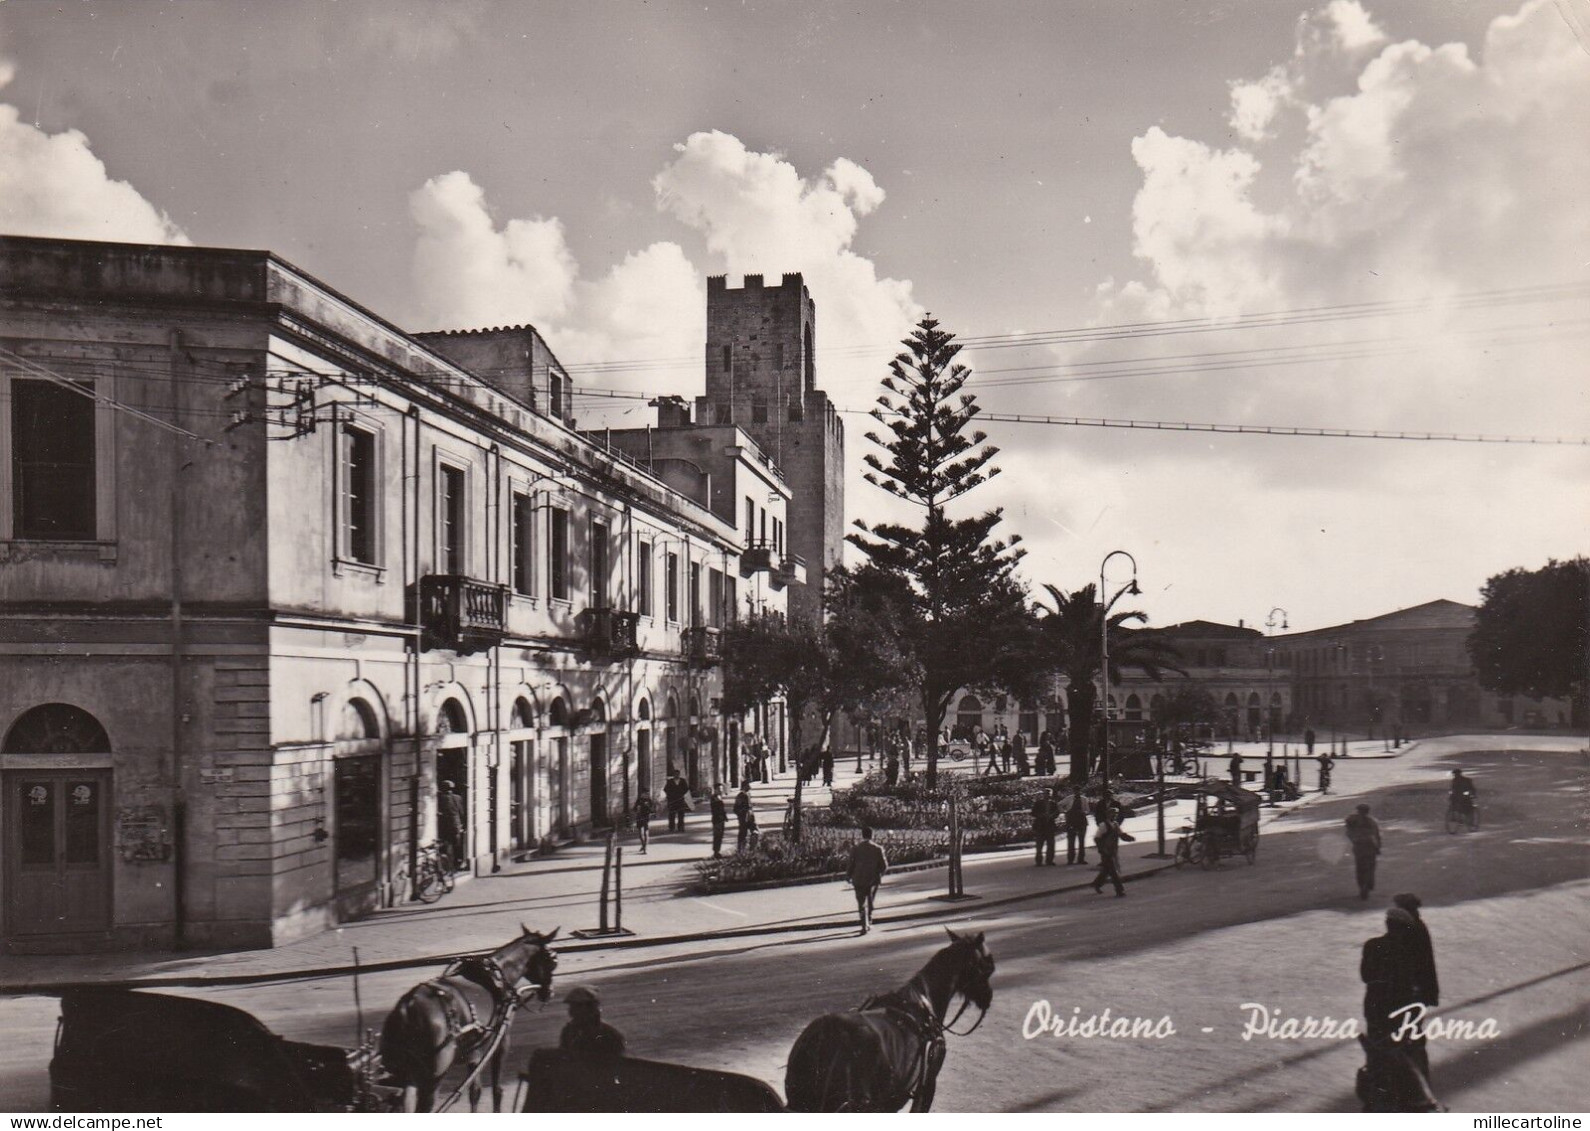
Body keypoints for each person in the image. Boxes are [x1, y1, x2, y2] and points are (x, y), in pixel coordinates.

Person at [1358, 909, 1441, 1111]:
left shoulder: (1372, 945)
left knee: (1377, 1053)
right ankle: (1412, 1100)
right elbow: (1407, 985)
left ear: (1387, 924)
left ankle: (1376, 1099)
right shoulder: (1406, 951)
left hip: (1375, 1008)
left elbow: (1365, 975)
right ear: (1404, 929)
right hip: (1400, 1011)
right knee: (1404, 1053)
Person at [1393, 892, 1439, 1081]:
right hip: (1419, 991)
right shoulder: (1420, 927)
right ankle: (1421, 1078)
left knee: (1407, 1036)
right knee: (1415, 1036)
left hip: (1409, 992)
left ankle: (1416, 1082)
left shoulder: (1408, 930)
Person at [559, 985, 627, 1070]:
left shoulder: (609, 1034)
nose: (571, 1011)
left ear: (591, 1008)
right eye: (572, 1006)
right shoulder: (568, 1031)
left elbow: (617, 1064)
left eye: (577, 1006)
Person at [846, 826, 889, 935]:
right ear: (872, 835)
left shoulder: (856, 848)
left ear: (862, 835)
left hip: (858, 878)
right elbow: (884, 866)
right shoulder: (877, 848)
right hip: (872, 879)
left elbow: (851, 864)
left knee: (861, 902)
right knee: (870, 899)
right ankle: (869, 919)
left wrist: (848, 876)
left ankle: (864, 923)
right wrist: (879, 874)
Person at [1091, 809, 1135, 897]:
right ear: (1108, 815)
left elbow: (1121, 834)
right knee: (1113, 871)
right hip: (1106, 851)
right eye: (1112, 814)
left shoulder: (1115, 824)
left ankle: (1097, 884)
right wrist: (1102, 849)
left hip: (1113, 850)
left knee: (1107, 870)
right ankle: (1119, 890)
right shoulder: (1103, 825)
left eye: (1115, 814)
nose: (1114, 816)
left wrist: (1129, 838)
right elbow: (1097, 838)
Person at [1345, 803, 1382, 900]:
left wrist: (1354, 840)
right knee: (1370, 867)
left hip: (1358, 847)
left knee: (1360, 867)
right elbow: (1377, 836)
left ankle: (1362, 886)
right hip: (1370, 847)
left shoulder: (1352, 820)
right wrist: (1378, 847)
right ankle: (1368, 885)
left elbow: (1348, 833)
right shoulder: (1372, 821)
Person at [437, 780, 466, 871]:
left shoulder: (441, 798)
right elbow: (461, 812)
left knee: (444, 845)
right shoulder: (458, 798)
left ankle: (445, 866)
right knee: (456, 845)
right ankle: (458, 863)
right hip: (456, 825)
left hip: (445, 825)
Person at [1064, 786, 1090, 865]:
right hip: (1071, 821)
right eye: (1075, 790)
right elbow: (1060, 804)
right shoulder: (1069, 798)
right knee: (1071, 841)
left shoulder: (1084, 799)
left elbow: (1087, 810)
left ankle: (1081, 859)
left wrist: (1084, 813)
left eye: (1078, 790)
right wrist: (1065, 812)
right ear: (1073, 791)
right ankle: (1070, 859)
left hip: (1081, 821)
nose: (1077, 792)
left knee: (1081, 841)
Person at [733, 783, 755, 852]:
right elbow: (736, 808)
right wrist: (742, 814)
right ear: (744, 786)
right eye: (748, 785)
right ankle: (741, 850)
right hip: (744, 817)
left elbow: (749, 806)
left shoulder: (748, 794)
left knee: (754, 832)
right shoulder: (741, 796)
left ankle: (750, 849)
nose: (750, 786)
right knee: (743, 834)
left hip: (750, 817)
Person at [708, 784, 728, 858]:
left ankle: (718, 851)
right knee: (717, 836)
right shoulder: (714, 797)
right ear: (715, 789)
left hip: (721, 819)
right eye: (719, 789)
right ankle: (716, 852)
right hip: (717, 819)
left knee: (720, 836)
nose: (721, 790)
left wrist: (725, 817)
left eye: (721, 789)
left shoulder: (719, 797)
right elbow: (716, 809)